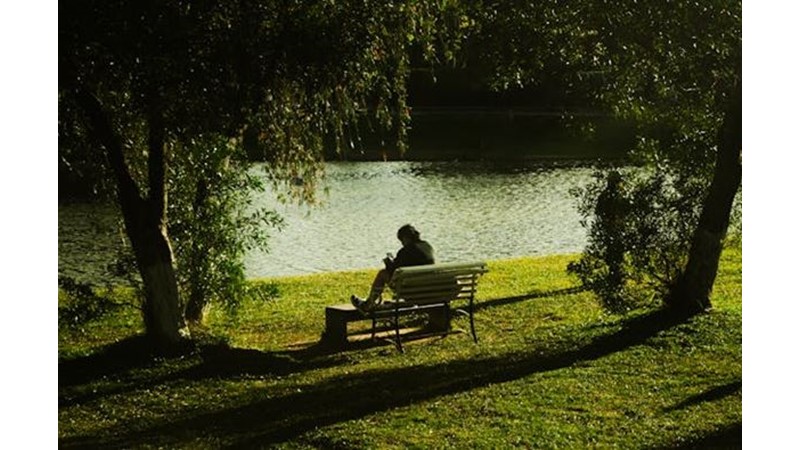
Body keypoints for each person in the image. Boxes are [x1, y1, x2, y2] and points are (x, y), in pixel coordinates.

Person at [351, 224, 435, 310]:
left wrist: (388, 262)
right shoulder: (427, 246)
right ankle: (369, 303)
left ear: (405, 238)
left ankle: (368, 304)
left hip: (412, 292)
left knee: (382, 274)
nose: (402, 243)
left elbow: (394, 272)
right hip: (431, 291)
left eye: (401, 240)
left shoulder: (405, 251)